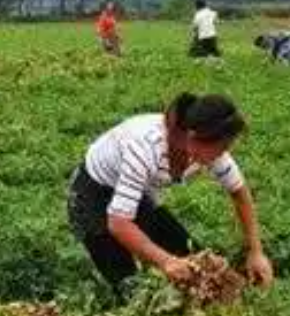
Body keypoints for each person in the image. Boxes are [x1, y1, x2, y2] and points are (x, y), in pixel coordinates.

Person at [67, 93, 274, 293]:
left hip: (137, 194)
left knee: (197, 264)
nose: (224, 153)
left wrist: (256, 252)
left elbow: (239, 192)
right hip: (91, 196)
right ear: (193, 138)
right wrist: (166, 261)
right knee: (131, 287)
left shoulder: (208, 148)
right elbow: (119, 223)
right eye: (222, 147)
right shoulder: (144, 147)